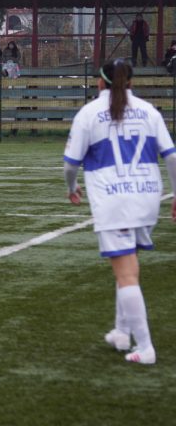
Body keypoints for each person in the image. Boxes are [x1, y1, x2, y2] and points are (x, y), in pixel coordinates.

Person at [63, 59, 176, 365]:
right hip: (147, 197)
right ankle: (122, 332)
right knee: (129, 263)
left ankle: (146, 347)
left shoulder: (88, 113)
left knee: (125, 273)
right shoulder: (149, 110)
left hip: (114, 200)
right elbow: (171, 156)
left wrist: (72, 187)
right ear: (130, 82)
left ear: (100, 82)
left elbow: (71, 163)